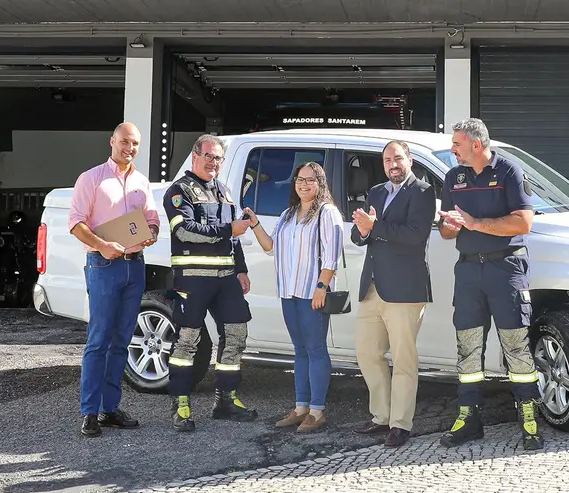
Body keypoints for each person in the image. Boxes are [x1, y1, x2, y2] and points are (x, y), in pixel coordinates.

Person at [436, 118, 544, 450]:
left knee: (516, 345)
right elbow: (444, 230)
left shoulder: (509, 171)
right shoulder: (453, 177)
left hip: (506, 268)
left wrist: (475, 223)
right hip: (468, 271)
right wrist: (452, 227)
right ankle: (469, 418)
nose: (452, 149)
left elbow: (523, 222)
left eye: (457, 144)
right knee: (468, 349)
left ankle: (528, 418)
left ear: (476, 145)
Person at [68, 122, 160, 438]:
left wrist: (153, 233)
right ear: (112, 141)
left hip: (135, 267)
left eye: (134, 144)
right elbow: (76, 224)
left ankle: (110, 409)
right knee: (98, 341)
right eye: (124, 142)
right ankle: (90, 413)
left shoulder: (141, 182)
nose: (129, 148)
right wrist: (102, 245)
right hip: (103, 266)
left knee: (121, 340)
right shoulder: (91, 179)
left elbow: (151, 219)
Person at [161, 134, 256, 433]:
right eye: (208, 156)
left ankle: (225, 399)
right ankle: (181, 405)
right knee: (188, 340)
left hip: (227, 278)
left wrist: (241, 269)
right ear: (195, 156)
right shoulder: (179, 192)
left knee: (237, 334)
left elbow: (235, 237)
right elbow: (185, 231)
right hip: (193, 279)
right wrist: (229, 229)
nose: (213, 162)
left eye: (218, 158)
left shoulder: (225, 191)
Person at [243, 161, 344, 433]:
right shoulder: (288, 214)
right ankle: (300, 409)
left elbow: (331, 255)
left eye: (311, 180)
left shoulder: (327, 213)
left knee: (316, 349)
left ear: (320, 183)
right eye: (300, 179)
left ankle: (317, 411)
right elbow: (270, 247)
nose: (304, 184)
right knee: (299, 351)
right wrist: (255, 225)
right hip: (289, 291)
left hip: (313, 293)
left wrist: (321, 287)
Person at [349, 140, 436, 447]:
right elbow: (362, 234)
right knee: (367, 353)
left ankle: (400, 424)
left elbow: (415, 236)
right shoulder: (376, 192)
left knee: (403, 360)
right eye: (387, 160)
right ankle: (380, 416)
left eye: (398, 158)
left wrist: (376, 226)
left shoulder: (423, 192)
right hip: (372, 286)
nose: (392, 164)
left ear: (409, 160)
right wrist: (361, 230)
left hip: (404, 289)